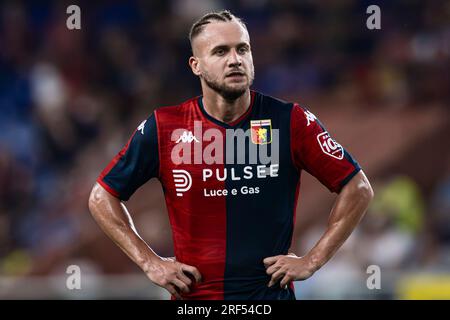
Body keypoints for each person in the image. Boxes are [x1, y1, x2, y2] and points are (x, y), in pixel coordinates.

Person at [88, 10, 374, 300]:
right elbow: (102, 197)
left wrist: (313, 260)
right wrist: (149, 262)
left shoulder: (290, 120)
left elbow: (358, 187)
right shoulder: (165, 127)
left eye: (243, 49)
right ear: (195, 65)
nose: (235, 59)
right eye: (221, 51)